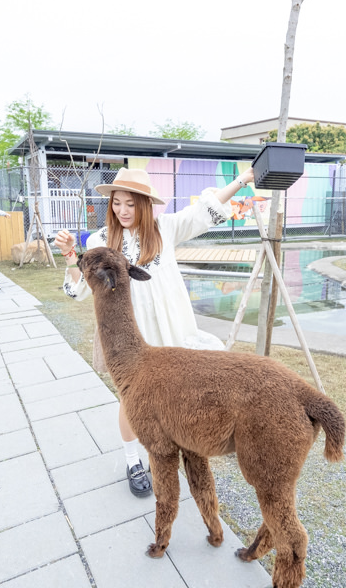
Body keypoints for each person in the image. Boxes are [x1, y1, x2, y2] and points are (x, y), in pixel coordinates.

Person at [54, 166, 254, 497]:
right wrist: (70, 256)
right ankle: (134, 462)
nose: (122, 210)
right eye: (117, 203)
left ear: (145, 205)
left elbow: (205, 210)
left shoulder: (165, 229)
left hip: (170, 331)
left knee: (173, 398)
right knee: (131, 402)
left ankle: (168, 452)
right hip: (130, 339)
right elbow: (79, 292)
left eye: (131, 204)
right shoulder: (101, 241)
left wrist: (242, 180)